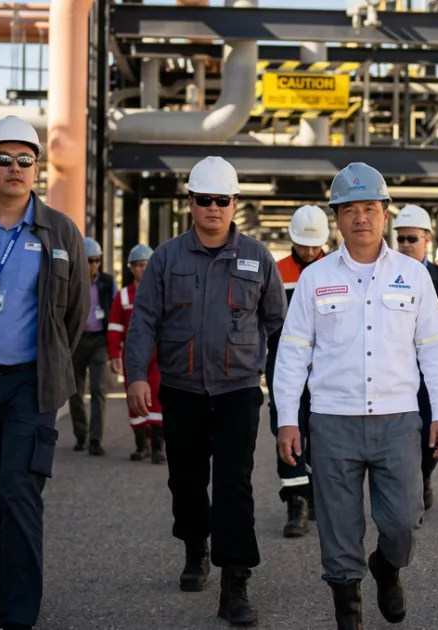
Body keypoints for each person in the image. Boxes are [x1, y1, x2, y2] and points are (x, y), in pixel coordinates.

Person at [273, 162, 438, 630]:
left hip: (398, 420)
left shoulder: (413, 275)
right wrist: (287, 419)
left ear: (385, 213)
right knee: (338, 525)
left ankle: (387, 567)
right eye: (350, 209)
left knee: (403, 521)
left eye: (370, 208)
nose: (361, 218)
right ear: (336, 217)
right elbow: (293, 352)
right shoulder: (315, 278)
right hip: (333, 420)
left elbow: (434, 347)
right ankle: (348, 606)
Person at [123, 156, 285, 626]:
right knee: (186, 480)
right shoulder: (167, 258)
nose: (213, 208)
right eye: (204, 199)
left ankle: (236, 580)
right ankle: (196, 546)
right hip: (182, 390)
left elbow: (278, 323)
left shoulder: (258, 257)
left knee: (234, 483)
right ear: (190, 202)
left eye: (222, 200)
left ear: (234, 203)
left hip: (238, 390)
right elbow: (144, 319)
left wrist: (281, 382)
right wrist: (137, 375)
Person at [0, 115, 89, 630]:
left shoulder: (60, 231)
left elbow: (75, 312)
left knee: (18, 492)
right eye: (3, 159)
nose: (15, 168)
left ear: (37, 168)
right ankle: (9, 597)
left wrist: (50, 361)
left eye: (25, 159)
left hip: (32, 384)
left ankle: (20, 612)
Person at [263, 204, 330, 538]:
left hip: (327, 365)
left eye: (314, 245)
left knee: (323, 431)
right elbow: (266, 320)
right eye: (303, 244)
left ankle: (316, 493)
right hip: (284, 363)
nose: (309, 251)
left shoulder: (336, 270)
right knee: (288, 429)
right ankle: (296, 502)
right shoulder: (277, 272)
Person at [392, 203, 438, 509]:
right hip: (397, 369)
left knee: (432, 426)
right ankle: (407, 482)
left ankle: (425, 474)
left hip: (429, 369)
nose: (405, 244)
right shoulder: (386, 272)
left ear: (427, 239)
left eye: (412, 238)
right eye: (401, 238)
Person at [107, 243, 166, 464]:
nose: (142, 269)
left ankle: (158, 446)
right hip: (132, 356)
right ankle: (141, 445)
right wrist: (114, 354)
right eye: (138, 265)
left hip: (159, 355)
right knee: (135, 399)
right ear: (131, 269)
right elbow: (115, 327)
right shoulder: (123, 296)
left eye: (145, 265)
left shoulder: (162, 293)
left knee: (158, 398)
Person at [68, 236, 116, 456]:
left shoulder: (107, 282)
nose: (93, 265)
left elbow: (114, 311)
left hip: (99, 340)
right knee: (75, 391)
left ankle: (96, 439)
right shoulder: (71, 281)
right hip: (77, 340)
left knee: (98, 389)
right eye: (89, 260)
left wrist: (114, 344)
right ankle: (81, 435)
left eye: (97, 260)